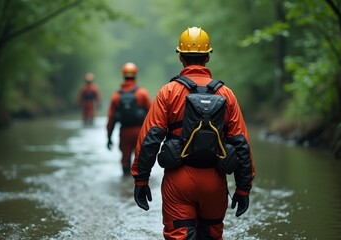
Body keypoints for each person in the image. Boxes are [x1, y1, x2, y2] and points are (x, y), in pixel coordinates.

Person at [131, 27, 255, 239]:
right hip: (215, 182)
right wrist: (243, 188)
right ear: (207, 57)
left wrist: (141, 179)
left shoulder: (168, 92)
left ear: (180, 57)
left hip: (178, 181)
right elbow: (241, 143)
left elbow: (150, 138)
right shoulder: (226, 94)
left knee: (179, 234)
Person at [106, 62, 151, 176]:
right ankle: (138, 185)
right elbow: (152, 115)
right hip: (140, 132)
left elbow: (111, 119)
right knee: (140, 160)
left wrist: (109, 137)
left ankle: (125, 182)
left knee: (125, 160)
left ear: (123, 75)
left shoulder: (116, 96)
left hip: (124, 132)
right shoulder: (142, 93)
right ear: (135, 75)